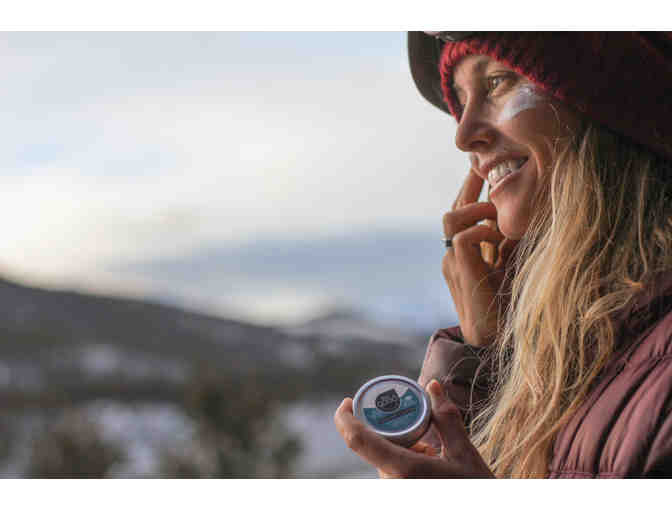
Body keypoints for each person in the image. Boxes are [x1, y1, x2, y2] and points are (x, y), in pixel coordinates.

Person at [334, 32, 672, 478]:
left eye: (497, 82)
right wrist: (487, 356)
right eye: (461, 101)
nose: (463, 135)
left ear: (616, 99)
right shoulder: (571, 348)